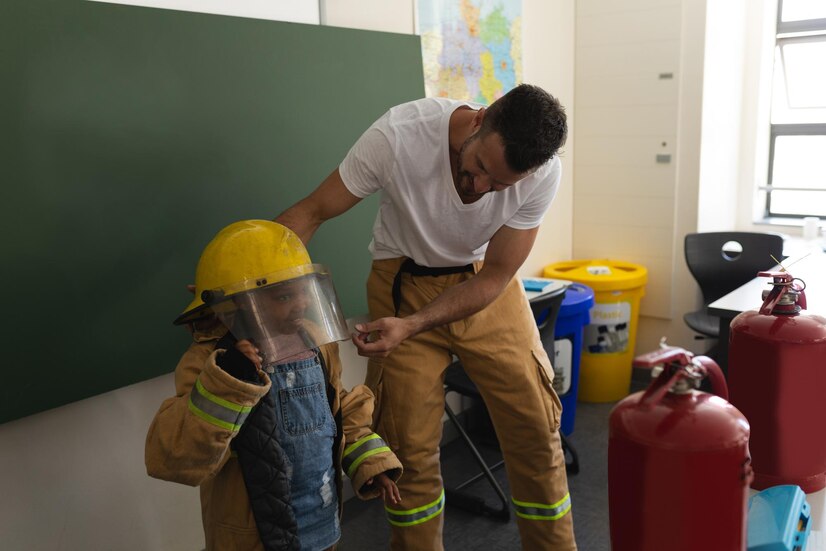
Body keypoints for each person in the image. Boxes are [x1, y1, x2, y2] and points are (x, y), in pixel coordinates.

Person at [275, 84, 576, 550]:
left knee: (537, 428)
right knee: (407, 451)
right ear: (479, 120)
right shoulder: (398, 136)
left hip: (485, 286)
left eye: (499, 185)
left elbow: (496, 275)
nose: (481, 189)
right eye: (478, 169)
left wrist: (416, 325)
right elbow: (313, 211)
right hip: (403, 283)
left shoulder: (542, 173)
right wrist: (250, 273)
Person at [145, 220, 402, 551]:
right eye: (283, 296)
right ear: (234, 303)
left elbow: (336, 411)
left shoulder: (316, 343)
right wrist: (228, 379)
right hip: (254, 536)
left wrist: (372, 464)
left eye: (303, 291)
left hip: (322, 521)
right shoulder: (209, 361)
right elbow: (176, 456)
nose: (302, 304)